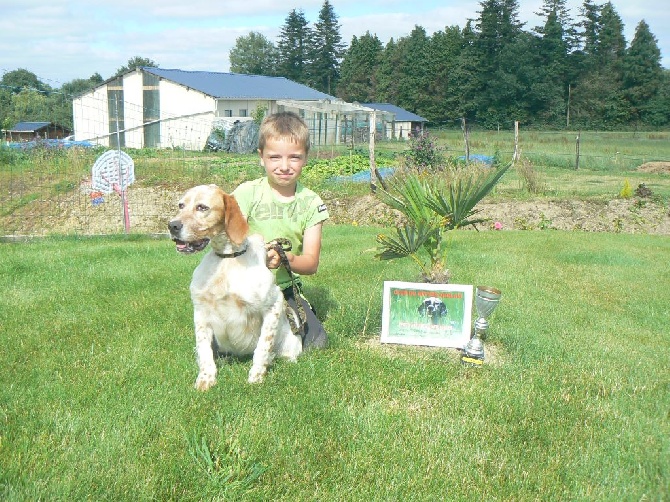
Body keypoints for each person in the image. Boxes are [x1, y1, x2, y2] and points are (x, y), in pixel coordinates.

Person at [232, 111, 329, 349]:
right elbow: (229, 241)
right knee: (230, 346)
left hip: (283, 290)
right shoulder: (245, 194)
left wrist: (286, 258)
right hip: (244, 289)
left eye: (294, 157)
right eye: (274, 157)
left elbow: (311, 264)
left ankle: (299, 309)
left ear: (306, 158)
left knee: (316, 343)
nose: (284, 166)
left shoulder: (311, 202)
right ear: (261, 157)